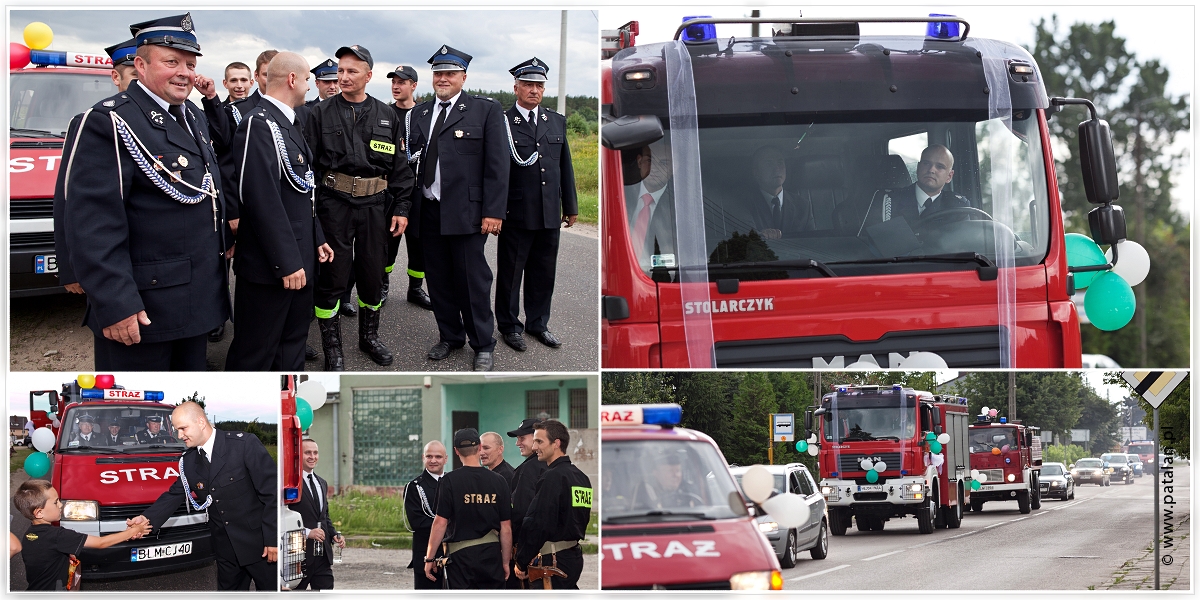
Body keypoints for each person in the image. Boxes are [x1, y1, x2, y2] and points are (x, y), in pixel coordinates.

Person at [64, 13, 229, 371]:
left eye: (190, 64)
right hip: (143, 311)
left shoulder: (192, 116)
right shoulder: (109, 121)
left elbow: (205, 192)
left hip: (194, 300)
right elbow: (93, 225)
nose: (184, 72)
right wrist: (116, 304)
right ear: (140, 66)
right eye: (171, 62)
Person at [304, 44, 414, 370]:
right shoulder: (319, 114)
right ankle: (332, 348)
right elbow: (308, 166)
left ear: (368, 75)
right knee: (332, 277)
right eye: (340, 70)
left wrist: (402, 207)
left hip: (375, 207)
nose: (343, 77)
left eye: (352, 71)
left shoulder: (386, 115)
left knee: (371, 273)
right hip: (333, 205)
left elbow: (400, 167)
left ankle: (369, 338)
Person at [223, 52, 334, 371]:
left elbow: (303, 191)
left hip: (299, 258)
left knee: (291, 347)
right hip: (272, 268)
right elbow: (261, 200)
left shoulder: (290, 122)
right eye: (308, 80)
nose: (309, 86)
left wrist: (316, 237)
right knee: (256, 354)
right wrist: (287, 262)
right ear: (292, 79)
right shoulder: (258, 125)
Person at [407, 45, 509, 371]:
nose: (443, 78)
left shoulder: (485, 110)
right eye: (438, 73)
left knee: (471, 281)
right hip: (428, 209)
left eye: (450, 73)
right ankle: (450, 336)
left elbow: (498, 165)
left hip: (467, 212)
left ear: (463, 77)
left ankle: (483, 344)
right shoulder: (420, 113)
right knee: (438, 280)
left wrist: (494, 211)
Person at [130, 402, 277, 590]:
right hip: (226, 549)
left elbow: (272, 493)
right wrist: (146, 519)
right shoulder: (189, 460)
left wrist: (272, 539)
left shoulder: (243, 445)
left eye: (183, 428)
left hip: (260, 546)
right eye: (176, 430)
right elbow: (175, 494)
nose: (179, 435)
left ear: (200, 422)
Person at [496, 58, 577, 353]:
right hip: (516, 212)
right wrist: (494, 211)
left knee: (543, 272)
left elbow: (564, 166)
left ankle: (538, 323)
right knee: (511, 274)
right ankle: (509, 326)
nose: (534, 90)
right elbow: (496, 171)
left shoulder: (555, 121)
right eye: (528, 84)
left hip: (548, 211)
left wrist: (570, 205)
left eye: (539, 85)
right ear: (516, 87)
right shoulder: (503, 122)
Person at [53, 37, 139, 296]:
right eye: (135, 76)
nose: (142, 83)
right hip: (112, 260)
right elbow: (68, 200)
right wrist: (71, 267)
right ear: (116, 77)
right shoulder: (94, 122)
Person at [15, 479, 150, 590]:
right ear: (39, 513)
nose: (61, 505)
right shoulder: (58, 536)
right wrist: (134, 531)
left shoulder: (29, 535)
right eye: (56, 502)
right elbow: (101, 543)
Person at [424, 428, 512, 589]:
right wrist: (505, 561)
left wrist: (429, 558)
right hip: (491, 556)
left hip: (460, 558)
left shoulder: (449, 481)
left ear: (456, 451)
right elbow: (506, 527)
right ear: (479, 447)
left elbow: (440, 523)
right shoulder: (499, 481)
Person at [513, 420, 591, 589]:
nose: (535, 447)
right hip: (573, 557)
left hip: (552, 561)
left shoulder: (552, 477)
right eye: (534, 441)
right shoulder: (582, 477)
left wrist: (521, 561)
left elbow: (537, 523)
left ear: (556, 443)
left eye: (539, 442)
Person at [384, 64, 432, 311]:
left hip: (419, 189)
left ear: (413, 86)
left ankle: (415, 288)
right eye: (394, 81)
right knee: (388, 240)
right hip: (391, 189)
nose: (396, 86)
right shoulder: (385, 113)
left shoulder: (425, 115)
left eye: (401, 82)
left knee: (418, 243)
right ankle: (382, 285)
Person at [732, 145, 815, 239]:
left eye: (780, 163)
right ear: (756, 172)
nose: (777, 169)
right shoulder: (743, 204)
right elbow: (744, 237)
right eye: (769, 164)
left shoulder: (803, 205)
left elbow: (813, 241)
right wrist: (760, 236)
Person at [294, 439, 344, 590]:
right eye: (307, 453)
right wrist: (308, 533)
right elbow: (284, 519)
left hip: (322, 556)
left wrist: (334, 534)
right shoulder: (291, 484)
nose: (312, 456)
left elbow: (324, 516)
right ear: (298, 455)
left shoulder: (322, 483)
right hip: (299, 556)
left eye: (315, 453)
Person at [878, 144, 970, 225]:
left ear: (949, 176)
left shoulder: (958, 207)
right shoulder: (889, 199)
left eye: (940, 166)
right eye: (926, 163)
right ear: (918, 167)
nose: (931, 170)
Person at [504, 417, 547, 588]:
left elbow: (523, 514)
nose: (517, 443)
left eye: (522, 438)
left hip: (532, 554)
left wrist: (522, 556)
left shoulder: (528, 469)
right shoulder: (554, 466)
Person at [624, 139, 675, 270]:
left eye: (664, 163)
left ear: (673, 167)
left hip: (661, 273)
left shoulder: (680, 204)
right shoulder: (621, 192)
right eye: (650, 160)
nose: (654, 169)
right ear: (639, 162)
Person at [404, 440, 447, 589]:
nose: (433, 460)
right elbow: (418, 523)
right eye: (429, 456)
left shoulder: (454, 482)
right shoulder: (414, 487)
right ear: (423, 458)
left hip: (454, 556)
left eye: (438, 457)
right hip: (426, 555)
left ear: (446, 459)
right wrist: (448, 523)